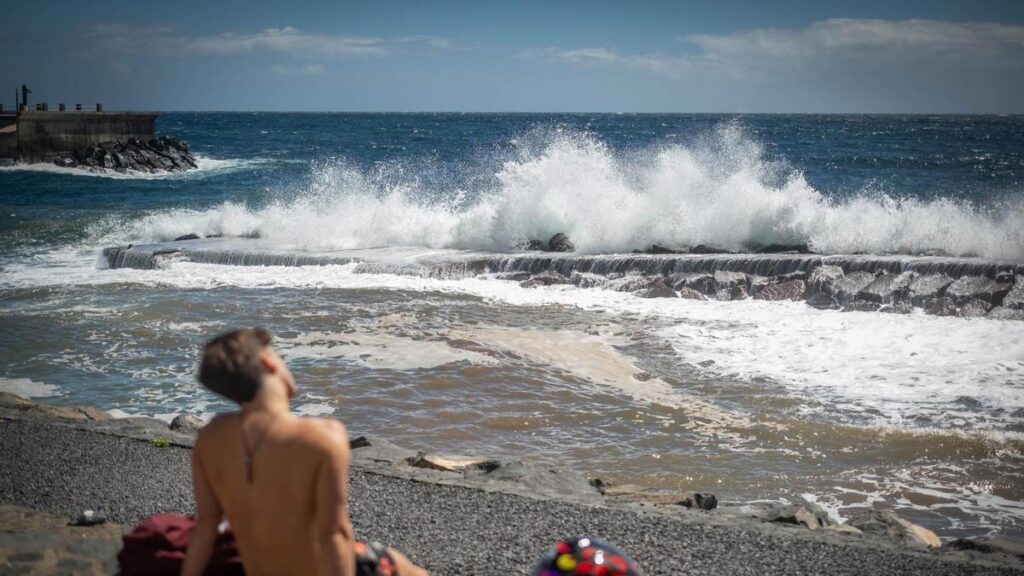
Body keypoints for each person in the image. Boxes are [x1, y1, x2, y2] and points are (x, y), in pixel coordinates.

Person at [181, 327, 428, 576]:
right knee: (407, 569)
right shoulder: (323, 437)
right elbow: (334, 535)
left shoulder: (209, 438)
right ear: (268, 361)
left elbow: (206, 527)